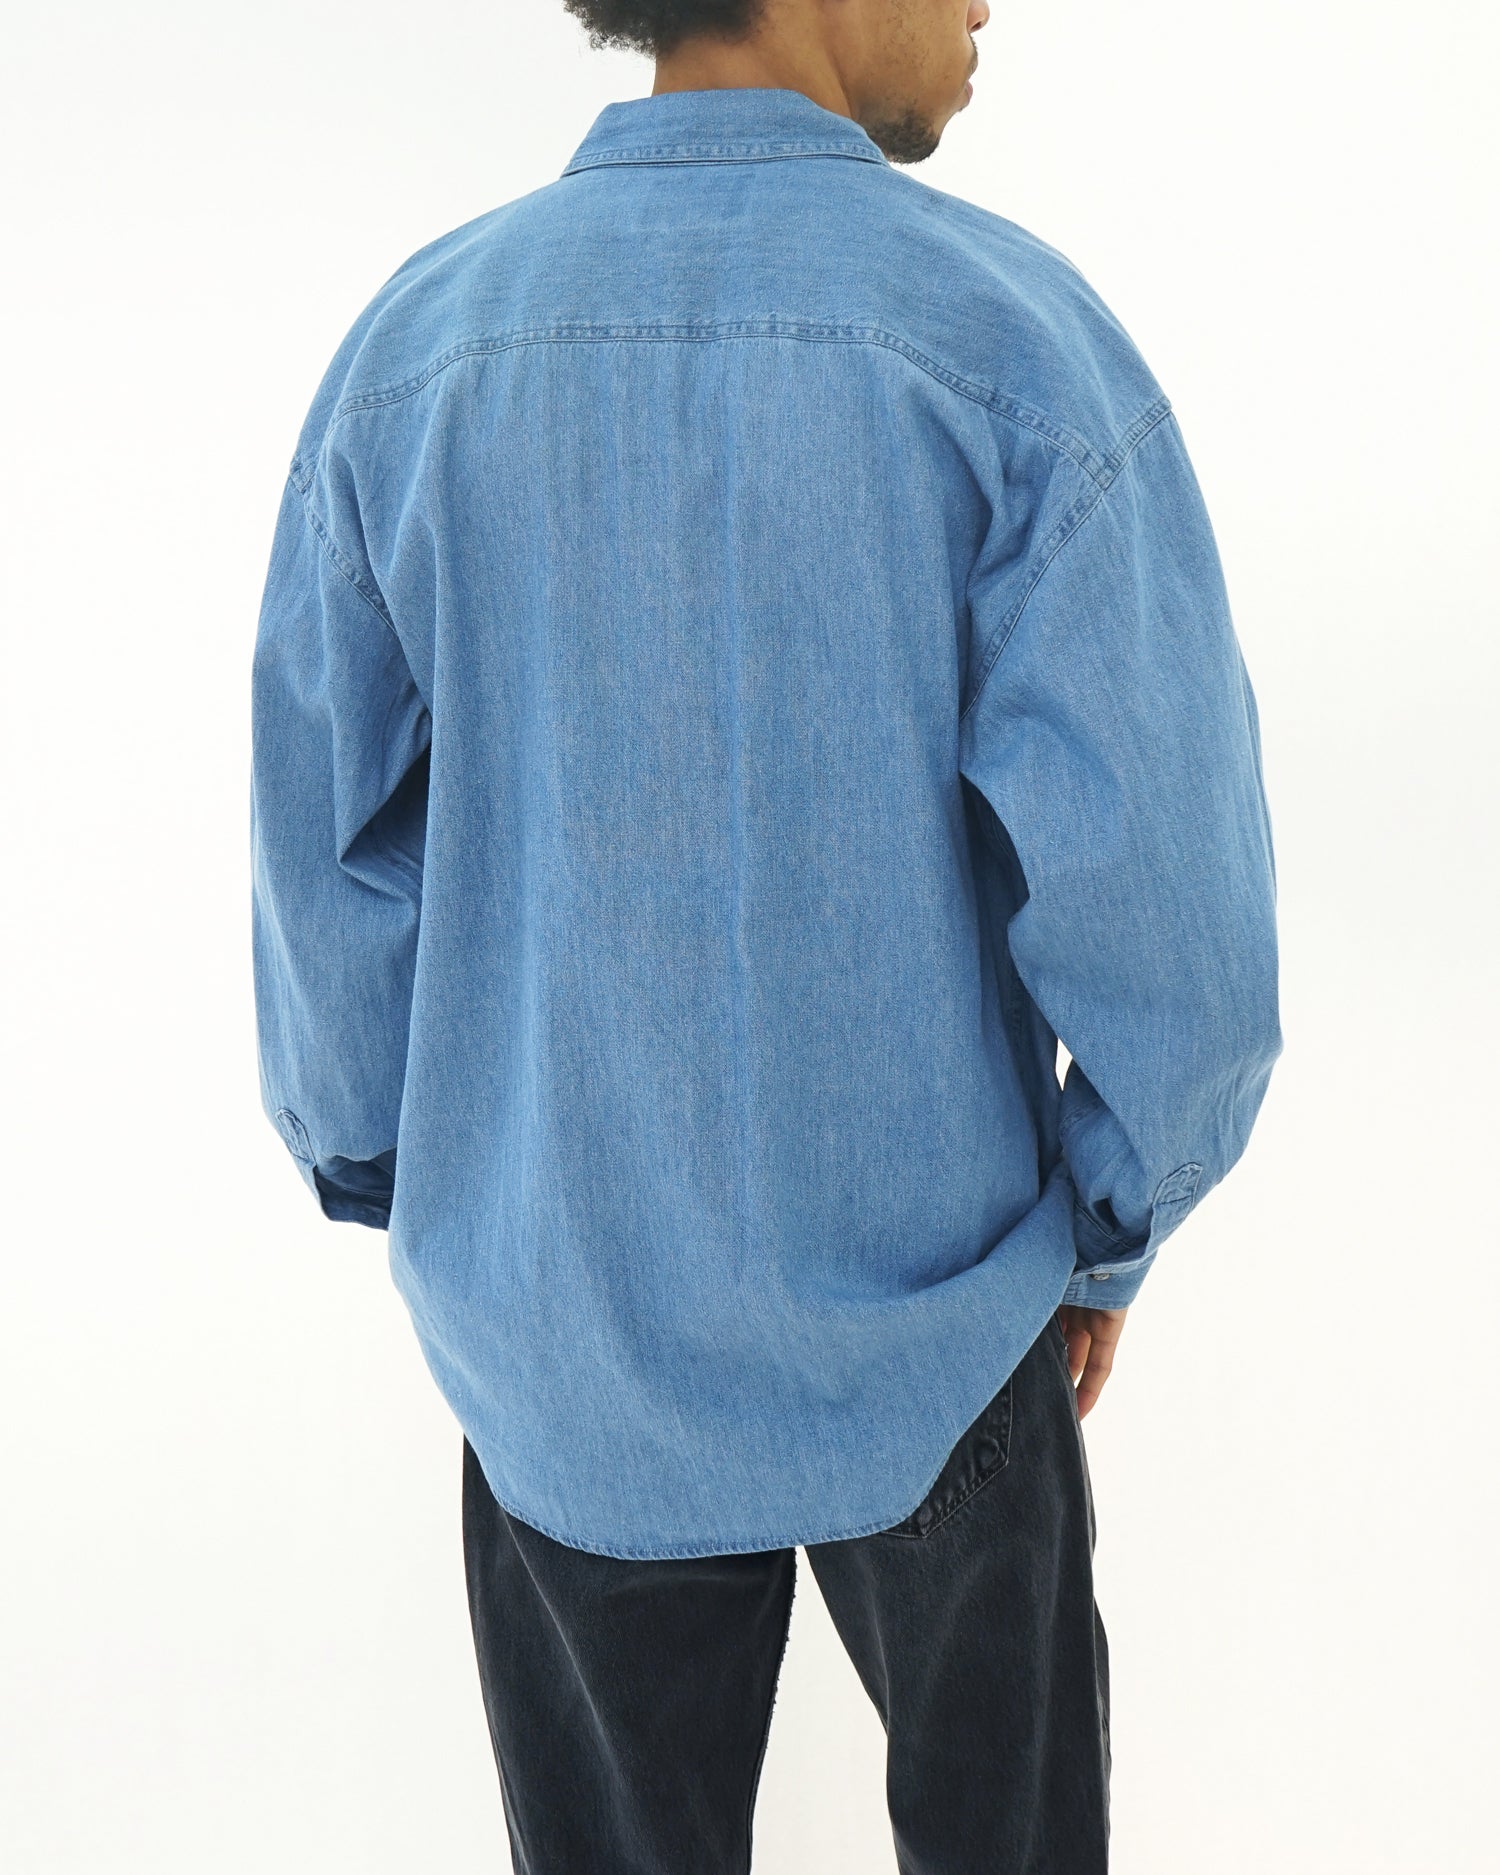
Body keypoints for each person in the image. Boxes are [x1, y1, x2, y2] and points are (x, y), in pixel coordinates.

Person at [249, 0, 1282, 1865]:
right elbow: (1180, 946)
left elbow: (329, 885)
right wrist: (1109, 1226)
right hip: (950, 1329)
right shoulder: (1015, 348)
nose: (987, 4)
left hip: (564, 1349)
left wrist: (435, 1190)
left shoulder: (418, 358)